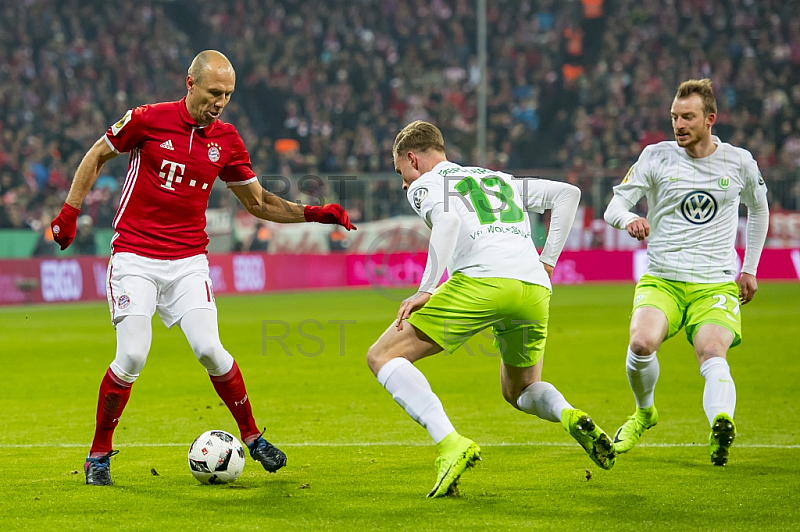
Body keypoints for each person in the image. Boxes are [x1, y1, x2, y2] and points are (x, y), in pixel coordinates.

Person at [49, 50, 356, 486]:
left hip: (189, 261)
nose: (221, 102)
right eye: (214, 92)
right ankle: (98, 456)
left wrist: (314, 213)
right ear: (190, 83)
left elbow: (260, 203)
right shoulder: (147, 119)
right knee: (132, 354)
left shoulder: (227, 140)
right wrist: (69, 211)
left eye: (228, 94)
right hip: (135, 255)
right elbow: (97, 154)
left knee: (211, 350)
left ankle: (252, 437)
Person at [366, 120, 616, 498]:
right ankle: (567, 413)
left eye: (402, 172)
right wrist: (547, 262)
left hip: (482, 282)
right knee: (520, 389)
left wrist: (426, 288)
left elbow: (447, 220)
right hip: (533, 287)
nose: (404, 183)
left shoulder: (425, 185)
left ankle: (450, 443)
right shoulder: (498, 179)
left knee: (382, 356)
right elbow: (568, 193)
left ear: (412, 159)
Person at [603, 79, 769, 466]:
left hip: (714, 281)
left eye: (688, 117)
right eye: (674, 116)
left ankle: (719, 425)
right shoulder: (655, 157)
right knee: (641, 344)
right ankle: (645, 412)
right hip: (663, 276)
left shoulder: (739, 161)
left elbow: (758, 209)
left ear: (710, 119)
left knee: (712, 350)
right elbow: (615, 206)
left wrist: (750, 268)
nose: (678, 124)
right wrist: (629, 219)